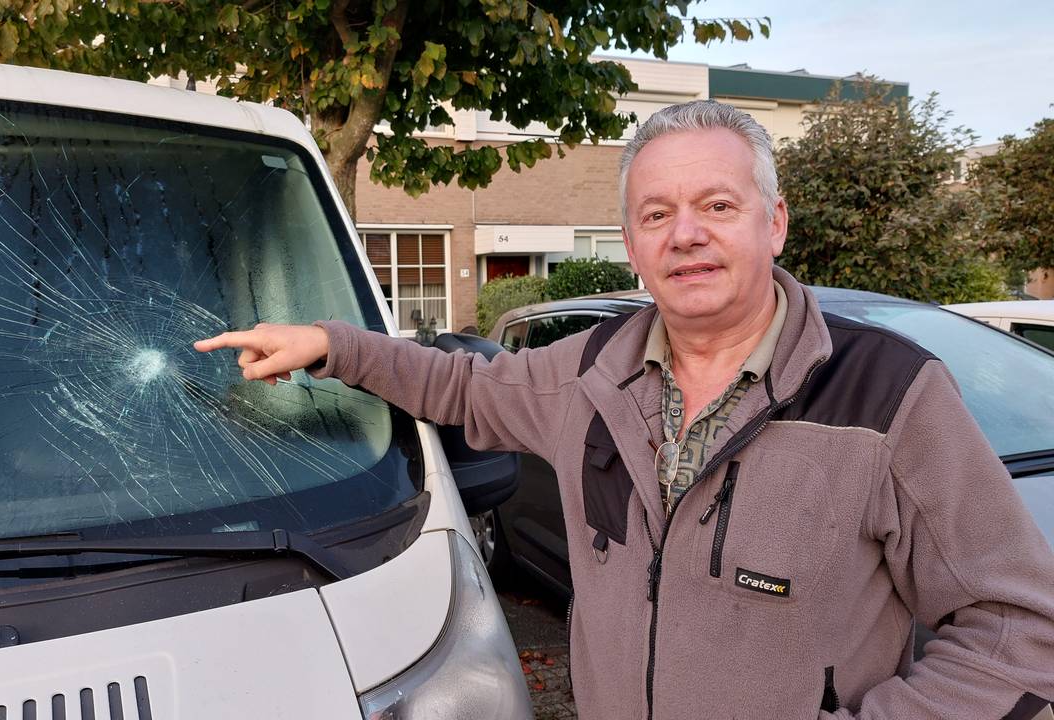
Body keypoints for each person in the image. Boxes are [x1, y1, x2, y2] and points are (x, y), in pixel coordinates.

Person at [194, 101, 1054, 719]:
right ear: (634, 245)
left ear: (775, 222)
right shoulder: (591, 371)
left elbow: (1020, 629)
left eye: (718, 205)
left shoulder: (891, 398)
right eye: (657, 214)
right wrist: (334, 345)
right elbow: (461, 387)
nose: (686, 234)